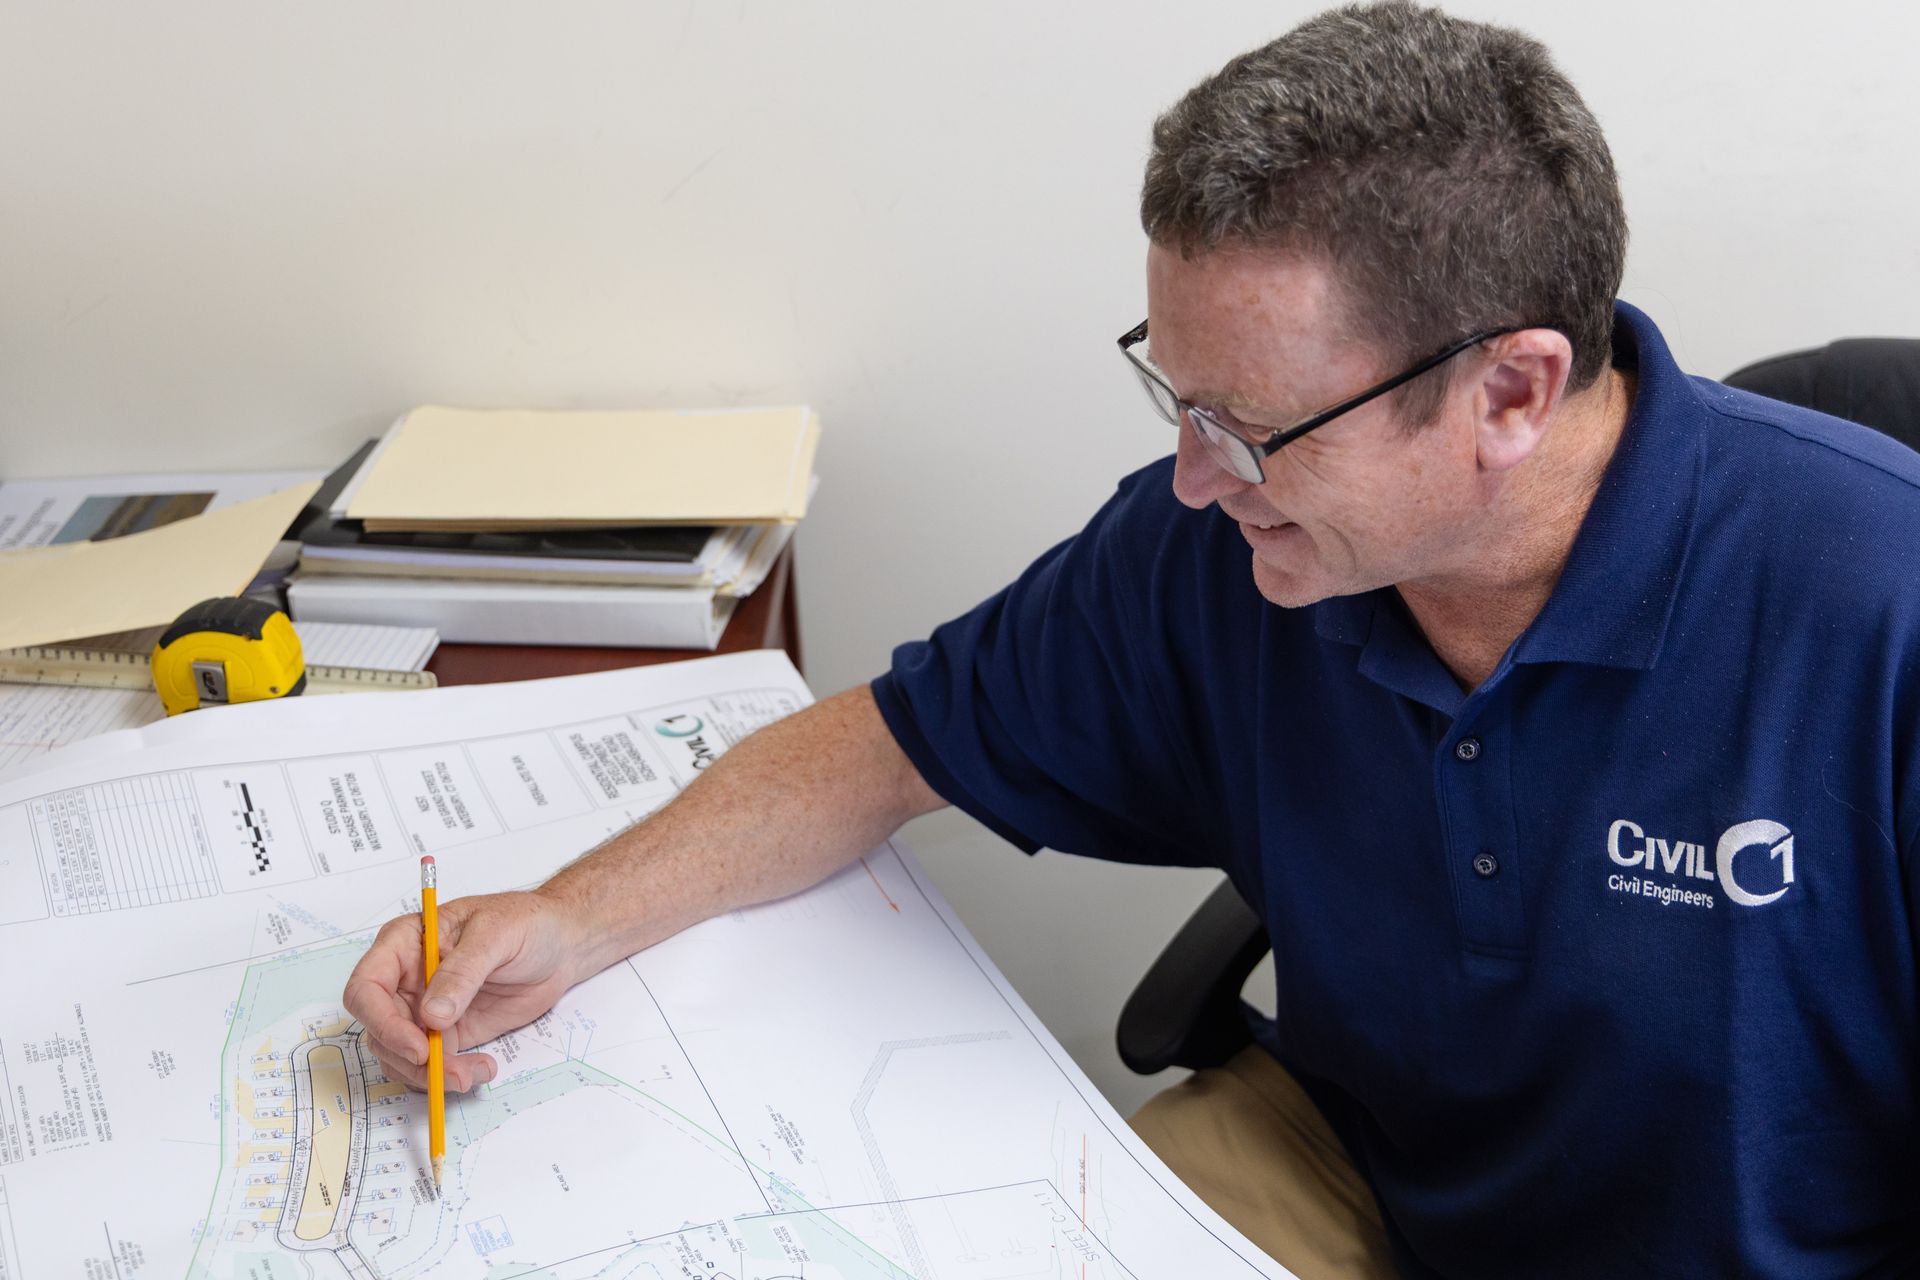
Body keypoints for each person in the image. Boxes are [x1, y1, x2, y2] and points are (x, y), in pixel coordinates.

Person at [345, 3, 1920, 1276]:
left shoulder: (1881, 605)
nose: (1194, 474)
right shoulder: (1226, 549)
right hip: (1369, 1168)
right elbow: (879, 752)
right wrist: (566, 919)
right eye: (1178, 397)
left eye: (1250, 425)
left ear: (1510, 391)